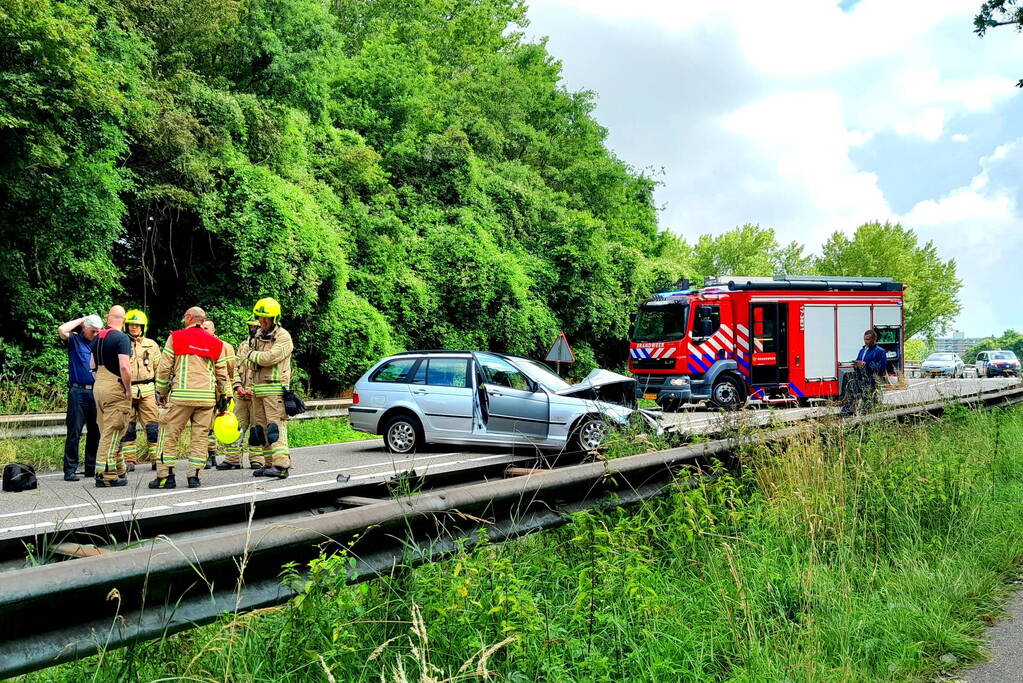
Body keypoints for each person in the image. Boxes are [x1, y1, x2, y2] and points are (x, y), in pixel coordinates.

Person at [151, 307, 230, 489]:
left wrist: (161, 393)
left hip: (181, 397)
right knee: (200, 437)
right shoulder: (215, 343)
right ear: (203, 321)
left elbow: (164, 369)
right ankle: (194, 476)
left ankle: (165, 476)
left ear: (188, 318)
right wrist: (221, 396)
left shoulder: (176, 337)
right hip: (206, 399)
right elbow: (222, 375)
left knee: (169, 433)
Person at [243, 298, 294, 479]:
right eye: (260, 318)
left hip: (274, 391)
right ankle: (269, 464)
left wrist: (251, 355)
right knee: (260, 429)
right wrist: (252, 356)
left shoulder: (283, 336)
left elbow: (270, 358)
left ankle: (281, 465)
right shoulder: (257, 335)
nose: (262, 322)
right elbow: (244, 361)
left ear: (275, 318)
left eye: (266, 318)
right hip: (257, 390)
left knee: (275, 428)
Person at [57, 314, 103, 481]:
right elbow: (62, 329)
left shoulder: (100, 342)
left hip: (96, 390)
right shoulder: (75, 340)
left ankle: (91, 467)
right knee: (74, 431)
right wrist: (83, 319)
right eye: (92, 331)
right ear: (84, 329)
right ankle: (70, 469)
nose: (96, 334)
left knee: (95, 431)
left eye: (98, 331)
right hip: (78, 391)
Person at [93, 305, 134, 486]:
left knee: (108, 430)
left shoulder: (97, 338)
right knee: (113, 431)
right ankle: (105, 475)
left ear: (108, 318)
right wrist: (128, 388)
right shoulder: (121, 338)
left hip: (99, 386)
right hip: (115, 387)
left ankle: (119, 470)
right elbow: (124, 367)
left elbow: (92, 365)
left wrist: (100, 382)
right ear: (123, 320)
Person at [217, 316, 261, 470]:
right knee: (235, 428)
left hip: (257, 397)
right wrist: (237, 386)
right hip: (241, 396)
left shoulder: (267, 346)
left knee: (257, 429)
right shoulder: (243, 345)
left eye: (255, 326)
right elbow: (236, 368)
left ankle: (257, 459)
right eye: (250, 326)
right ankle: (232, 459)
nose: (252, 329)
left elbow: (266, 374)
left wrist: (253, 390)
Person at [122, 309, 161, 472]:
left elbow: (160, 369)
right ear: (126, 326)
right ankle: (129, 460)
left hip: (147, 389)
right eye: (131, 325)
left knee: (152, 426)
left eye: (137, 325)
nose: (134, 328)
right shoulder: (122, 343)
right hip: (128, 390)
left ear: (143, 327)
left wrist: (161, 391)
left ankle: (156, 458)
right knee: (128, 427)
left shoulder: (151, 345)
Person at [200, 318, 236, 469]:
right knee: (207, 424)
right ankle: (210, 454)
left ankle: (231, 457)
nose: (204, 330)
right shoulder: (198, 346)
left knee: (222, 423)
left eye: (207, 328)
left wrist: (227, 391)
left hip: (222, 391)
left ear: (214, 330)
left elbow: (231, 370)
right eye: (202, 328)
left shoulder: (225, 346)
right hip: (206, 390)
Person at [841, 329, 888, 415]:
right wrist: (856, 366)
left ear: (874, 339)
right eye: (865, 339)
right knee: (848, 381)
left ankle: (860, 411)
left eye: (868, 339)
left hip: (871, 380)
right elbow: (859, 364)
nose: (866, 342)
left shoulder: (880, 351)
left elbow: (881, 368)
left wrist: (866, 365)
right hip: (860, 378)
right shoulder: (862, 351)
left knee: (866, 401)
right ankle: (847, 410)